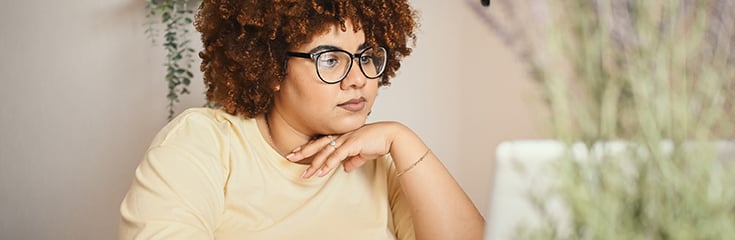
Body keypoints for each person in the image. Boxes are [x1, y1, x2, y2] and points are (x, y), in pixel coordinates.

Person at [118, 0, 485, 239]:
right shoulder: (203, 143)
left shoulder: (382, 161)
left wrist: (404, 140)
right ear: (272, 67)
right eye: (329, 59)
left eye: (366, 56)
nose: (358, 78)